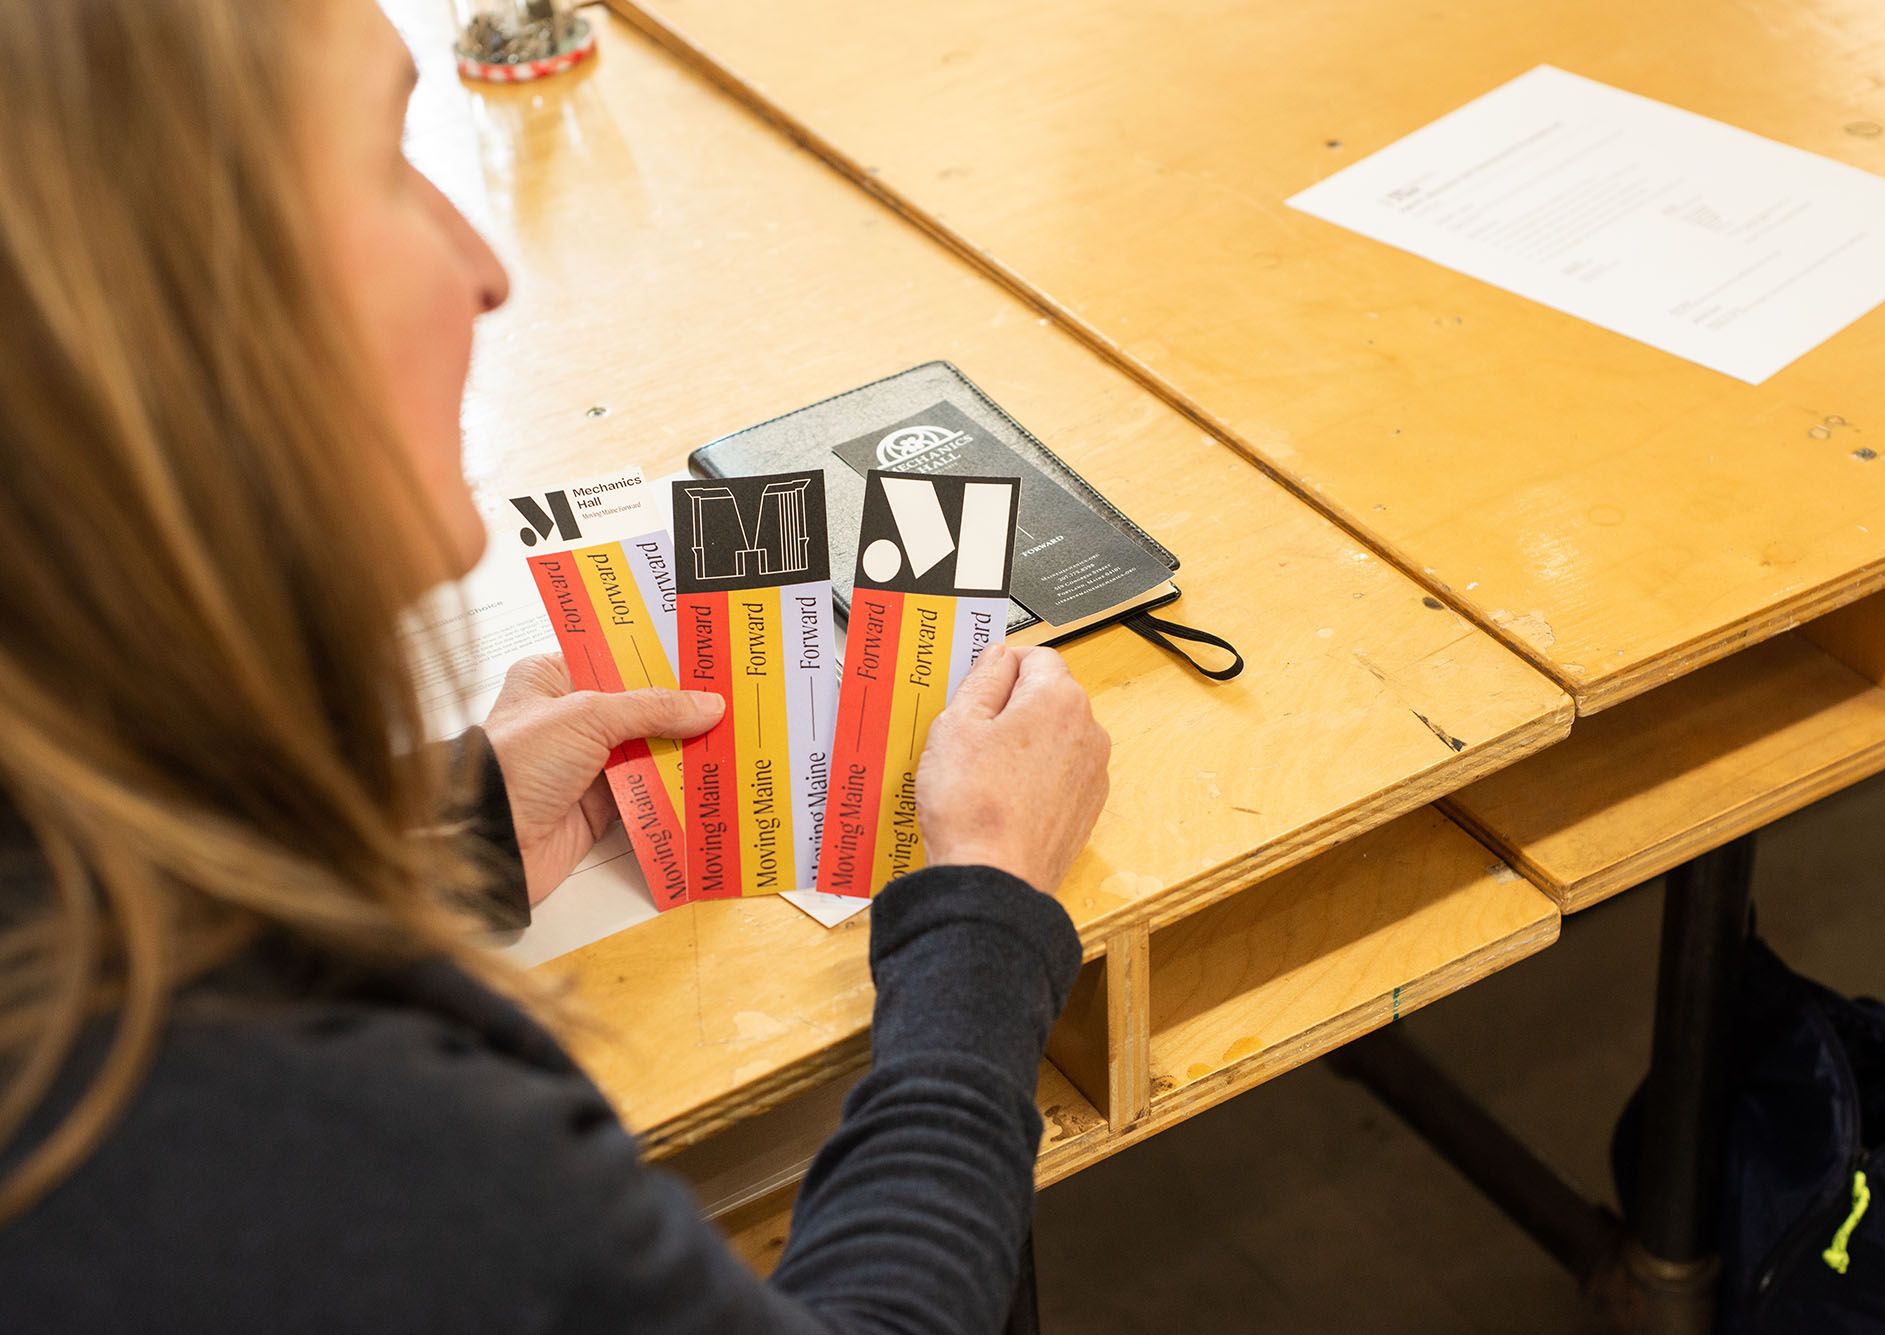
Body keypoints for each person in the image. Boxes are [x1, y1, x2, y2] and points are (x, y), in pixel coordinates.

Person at [0, 0, 1111, 1330]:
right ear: (152, 336)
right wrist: (985, 916)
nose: (484, 265)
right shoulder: (319, 1140)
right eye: (379, 159)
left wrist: (450, 839)